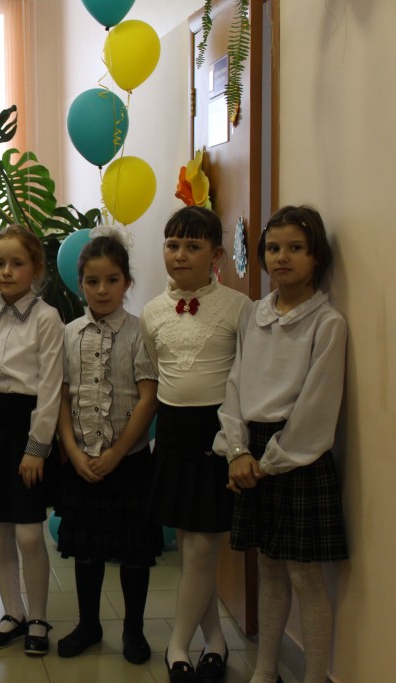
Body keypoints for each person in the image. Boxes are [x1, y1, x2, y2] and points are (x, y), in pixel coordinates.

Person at [214, 206, 347, 683]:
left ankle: (313, 676)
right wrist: (237, 450)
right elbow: (236, 383)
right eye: (273, 248)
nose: (282, 257)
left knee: (304, 575)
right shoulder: (254, 314)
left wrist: (267, 463)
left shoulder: (327, 322)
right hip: (250, 448)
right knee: (268, 568)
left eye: (295, 248)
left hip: (296, 454)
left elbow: (316, 405)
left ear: (317, 256)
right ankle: (266, 670)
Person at [141, 206, 252, 682]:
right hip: (172, 434)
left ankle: (177, 644)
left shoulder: (239, 307)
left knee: (204, 547)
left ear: (216, 255)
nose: (180, 255)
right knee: (190, 549)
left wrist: (238, 444)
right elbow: (155, 374)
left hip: (217, 435)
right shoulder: (152, 311)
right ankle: (216, 641)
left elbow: (246, 378)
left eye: (193, 246)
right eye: (172, 245)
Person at [54, 228, 160, 664]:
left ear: (127, 282)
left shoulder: (139, 332)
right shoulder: (68, 334)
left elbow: (148, 397)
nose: (102, 289)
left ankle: (133, 629)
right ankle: (89, 624)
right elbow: (61, 397)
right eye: (93, 281)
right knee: (87, 550)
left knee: (134, 551)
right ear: (80, 284)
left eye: (112, 280)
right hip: (82, 461)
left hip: (128, 462)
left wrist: (117, 453)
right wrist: (73, 451)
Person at [0, 224, 63, 657]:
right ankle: (13, 612)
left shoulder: (47, 318)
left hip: (25, 430)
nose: (5, 271)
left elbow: (51, 389)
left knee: (29, 533)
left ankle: (38, 616)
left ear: (35, 268)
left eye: (16, 263)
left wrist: (37, 448)